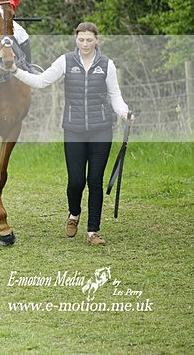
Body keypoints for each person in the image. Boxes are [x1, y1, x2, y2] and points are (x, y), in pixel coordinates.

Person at [12, 22, 134, 246]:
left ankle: (93, 232)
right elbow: (41, 82)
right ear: (76, 40)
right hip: (74, 129)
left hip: (101, 129)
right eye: (81, 39)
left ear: (96, 40)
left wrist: (125, 113)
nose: (85, 44)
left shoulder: (107, 65)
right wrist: (15, 71)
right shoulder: (65, 61)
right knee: (76, 181)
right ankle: (74, 214)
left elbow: (115, 96)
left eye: (89, 39)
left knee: (95, 180)